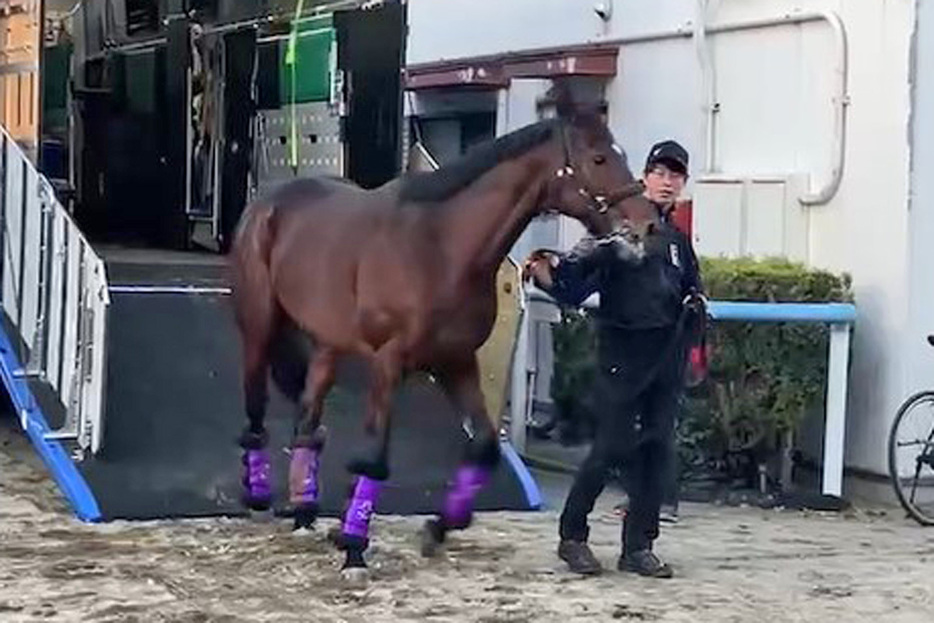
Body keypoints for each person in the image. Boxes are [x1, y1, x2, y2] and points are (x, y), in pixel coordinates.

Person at [524, 139, 706, 579]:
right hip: (622, 354)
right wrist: (545, 271)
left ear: (682, 183)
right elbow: (572, 283)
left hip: (665, 358)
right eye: (660, 173)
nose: (666, 182)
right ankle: (573, 536)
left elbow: (694, 292)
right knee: (610, 447)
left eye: (675, 175)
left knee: (656, 451)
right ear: (644, 177)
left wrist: (696, 326)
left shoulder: (679, 242)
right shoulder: (616, 231)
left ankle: (639, 546)